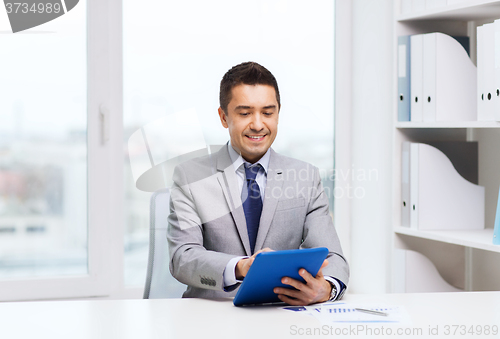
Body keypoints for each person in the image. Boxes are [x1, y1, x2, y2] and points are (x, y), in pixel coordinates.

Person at [167, 61, 349, 305]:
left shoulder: (306, 176)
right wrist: (241, 267)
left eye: (267, 112)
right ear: (224, 117)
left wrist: (326, 289)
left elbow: (333, 256)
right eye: (244, 113)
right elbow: (182, 258)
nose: (258, 124)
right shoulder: (190, 177)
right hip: (212, 316)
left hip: (282, 314)